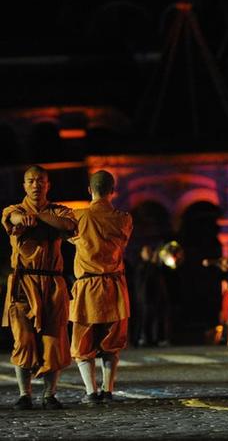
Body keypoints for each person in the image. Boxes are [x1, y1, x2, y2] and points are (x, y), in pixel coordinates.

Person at [2, 165, 76, 409]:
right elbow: (10, 218)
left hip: (53, 282)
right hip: (24, 283)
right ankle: (25, 394)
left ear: (48, 184)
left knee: (54, 339)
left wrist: (40, 216)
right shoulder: (15, 210)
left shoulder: (59, 211)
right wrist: (23, 218)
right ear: (24, 185)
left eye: (41, 181)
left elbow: (67, 225)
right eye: (31, 181)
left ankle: (49, 394)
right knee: (23, 340)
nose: (36, 185)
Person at [68, 170, 133, 404]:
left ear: (89, 190)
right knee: (112, 342)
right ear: (112, 191)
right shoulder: (124, 218)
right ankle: (108, 390)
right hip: (115, 286)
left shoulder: (78, 217)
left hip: (87, 286)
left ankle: (90, 392)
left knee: (82, 343)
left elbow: (63, 230)